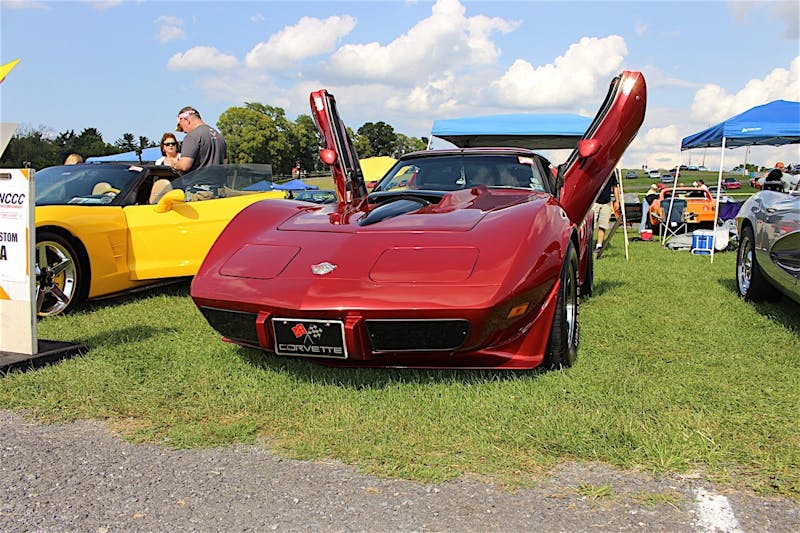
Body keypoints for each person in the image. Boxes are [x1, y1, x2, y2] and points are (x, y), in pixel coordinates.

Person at [171, 106, 227, 173]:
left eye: (181, 127)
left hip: (199, 181)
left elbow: (184, 166)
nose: (184, 131)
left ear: (187, 120)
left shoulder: (192, 136)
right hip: (218, 182)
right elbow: (225, 163)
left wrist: (175, 164)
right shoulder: (219, 136)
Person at [592, 173, 620, 253]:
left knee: (603, 225)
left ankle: (599, 246)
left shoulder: (611, 171)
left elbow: (615, 187)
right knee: (590, 226)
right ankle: (587, 245)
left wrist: (617, 201)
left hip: (606, 203)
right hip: (594, 202)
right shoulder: (596, 170)